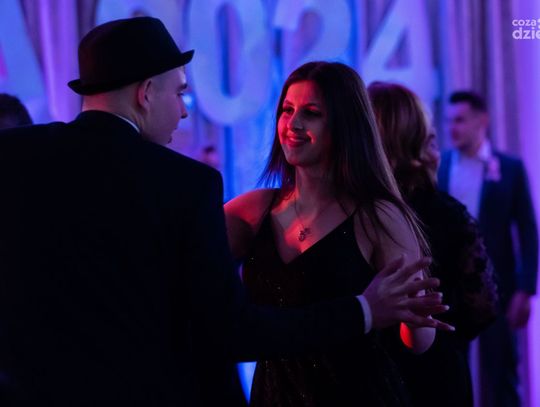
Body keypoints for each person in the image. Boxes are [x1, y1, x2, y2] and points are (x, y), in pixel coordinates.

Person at [0, 18, 450, 407]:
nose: (183, 111)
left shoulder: (13, 156)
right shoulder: (197, 190)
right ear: (145, 93)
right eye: (180, 93)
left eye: (311, 113)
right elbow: (222, 324)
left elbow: (418, 337)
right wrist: (363, 311)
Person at [224, 61, 448, 406]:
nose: (293, 124)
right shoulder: (252, 210)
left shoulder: (378, 215)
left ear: (345, 126)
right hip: (274, 396)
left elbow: (420, 341)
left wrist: (415, 312)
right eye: (287, 110)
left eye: (311, 113)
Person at [368, 81, 498, 407]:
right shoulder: (448, 214)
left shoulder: (343, 212)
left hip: (361, 377)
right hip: (436, 376)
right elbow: (482, 308)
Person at [438, 90, 538, 407]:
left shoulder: (510, 168)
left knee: (502, 373)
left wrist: (526, 289)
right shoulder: (440, 166)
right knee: (450, 373)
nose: (452, 128)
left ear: (482, 121)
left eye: (460, 120)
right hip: (449, 289)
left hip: (498, 288)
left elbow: (528, 231)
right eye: (449, 121)